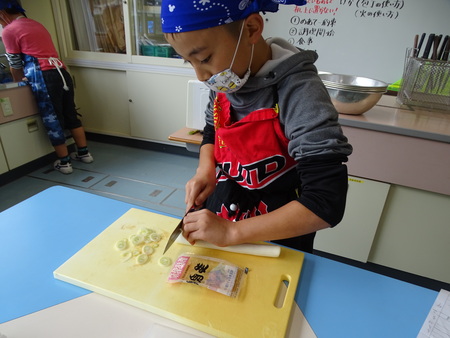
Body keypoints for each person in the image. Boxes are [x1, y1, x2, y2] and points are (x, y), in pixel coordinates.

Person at [161, 0, 353, 253]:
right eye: (190, 62)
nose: (201, 76)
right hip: (225, 209)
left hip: (278, 232)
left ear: (251, 29)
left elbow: (325, 201)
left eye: (205, 58)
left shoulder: (300, 93)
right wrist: (205, 169)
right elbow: (212, 128)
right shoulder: (227, 79)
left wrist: (232, 232)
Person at [0, 0, 93, 174]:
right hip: (61, 72)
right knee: (71, 113)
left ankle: (64, 163)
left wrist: (18, 82)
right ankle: (84, 153)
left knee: (53, 119)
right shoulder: (36, 24)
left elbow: (15, 64)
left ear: (2, 14)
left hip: (43, 76)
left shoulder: (9, 30)